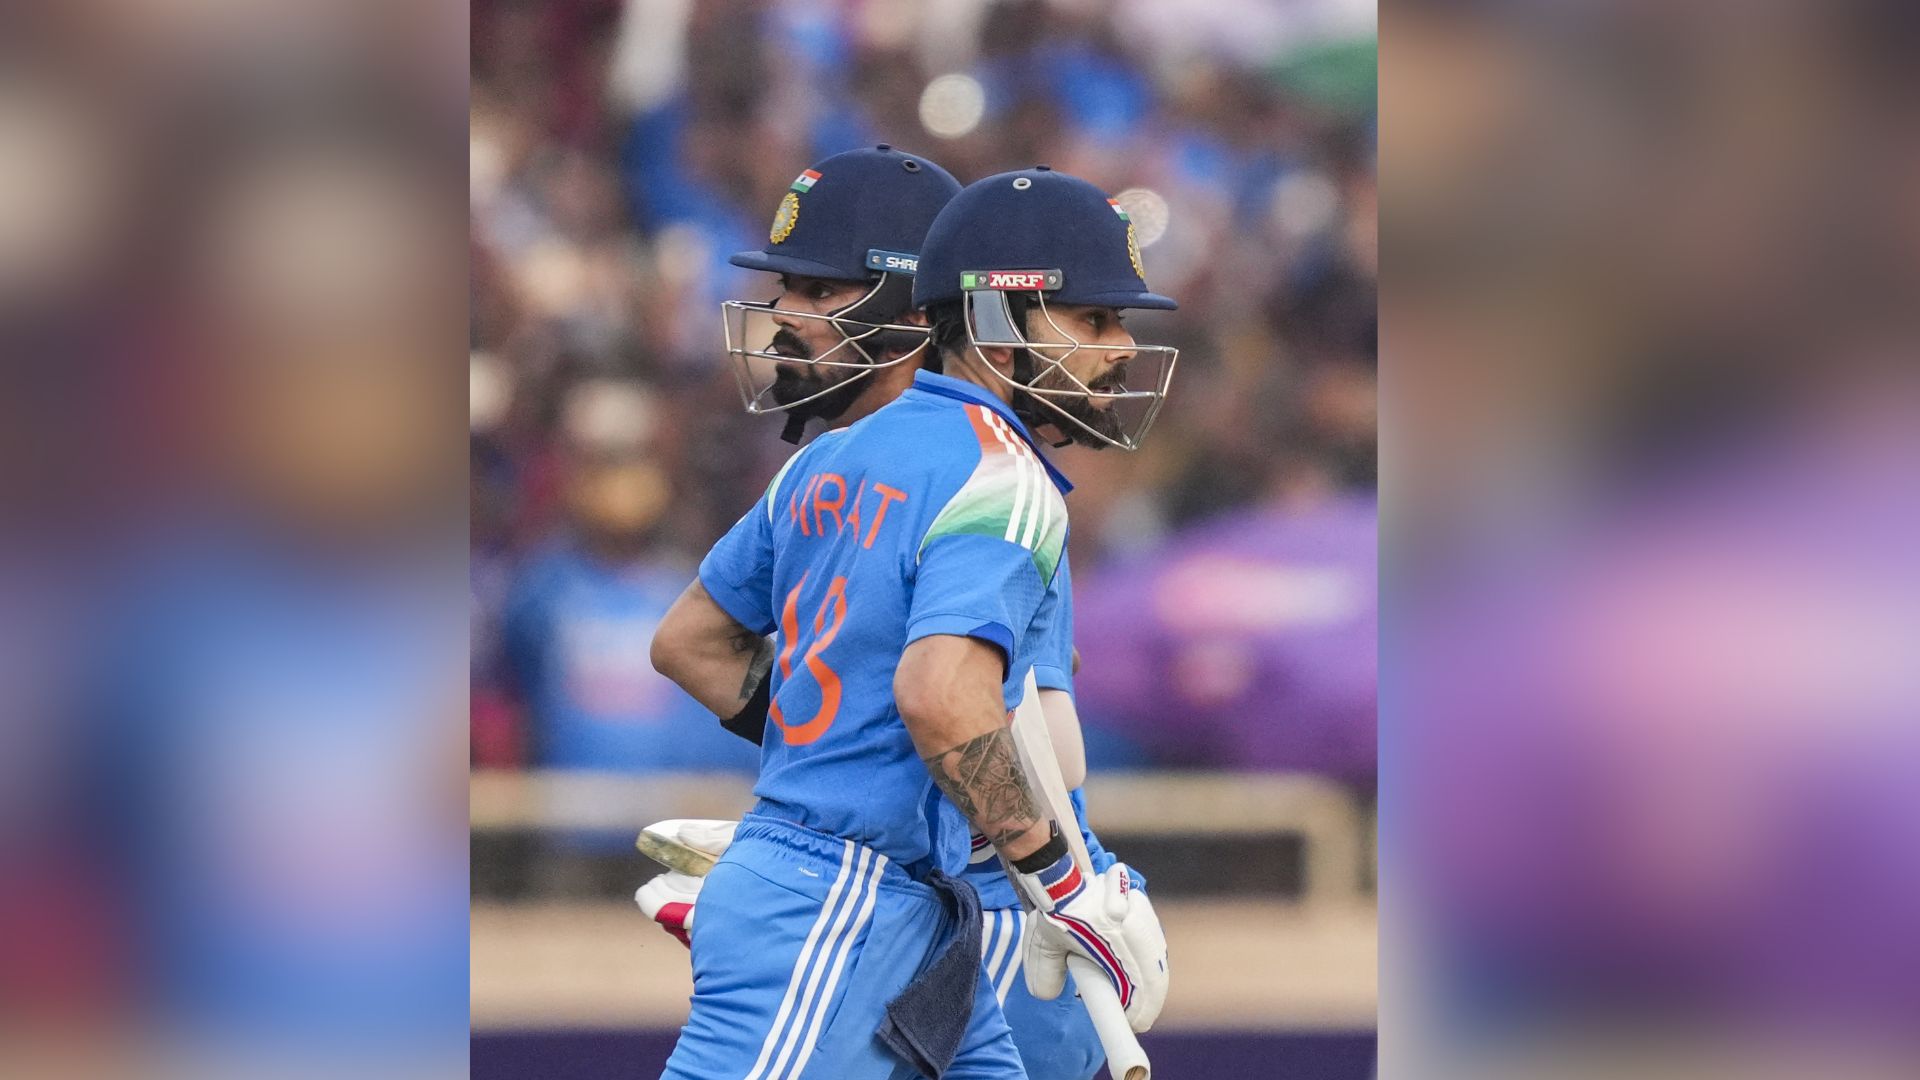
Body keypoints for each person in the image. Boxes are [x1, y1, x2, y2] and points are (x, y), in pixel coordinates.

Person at [647, 161, 1173, 1079]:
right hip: (890, 897)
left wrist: (808, 802)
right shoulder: (1002, 479)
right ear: (999, 321)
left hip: (898, 899)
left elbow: (692, 644)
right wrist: (1072, 883)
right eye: (1094, 318)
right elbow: (981, 717)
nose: (1119, 345)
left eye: (816, 287)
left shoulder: (831, 458)